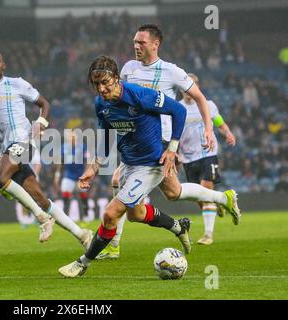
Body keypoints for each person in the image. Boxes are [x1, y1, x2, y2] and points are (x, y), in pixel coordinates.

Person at [97, 24, 241, 259]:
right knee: (173, 192)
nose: (136, 46)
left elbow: (200, 99)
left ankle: (113, 244)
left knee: (117, 180)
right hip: (136, 139)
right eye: (134, 41)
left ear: (155, 44)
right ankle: (223, 198)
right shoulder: (128, 69)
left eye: (141, 42)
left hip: (160, 142)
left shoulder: (171, 71)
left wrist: (206, 128)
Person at [58, 55, 191, 278]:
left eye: (105, 82)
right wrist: (94, 167)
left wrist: (172, 149)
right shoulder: (101, 104)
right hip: (129, 163)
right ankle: (178, 226)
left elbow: (179, 110)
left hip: (150, 165)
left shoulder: (139, 95)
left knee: (111, 214)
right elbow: (106, 135)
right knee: (136, 214)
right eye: (96, 84)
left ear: (117, 78)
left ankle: (82, 263)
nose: (101, 88)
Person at [0, 50, 93, 248]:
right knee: (40, 198)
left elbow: (44, 104)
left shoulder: (17, 83)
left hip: (23, 139)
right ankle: (82, 234)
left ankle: (41, 219)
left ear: (4, 65)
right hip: (3, 148)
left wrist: (41, 123)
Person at [179, 73, 237, 245]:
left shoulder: (208, 105)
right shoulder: (177, 108)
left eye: (192, 86)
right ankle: (220, 201)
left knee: (205, 189)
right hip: (188, 159)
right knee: (200, 198)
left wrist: (228, 133)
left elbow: (219, 123)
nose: (188, 90)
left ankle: (208, 235)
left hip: (207, 154)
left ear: (197, 87)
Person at [54, 131, 90, 223]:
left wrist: (86, 174)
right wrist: (57, 175)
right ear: (68, 138)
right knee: (65, 194)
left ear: (77, 138)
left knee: (83, 196)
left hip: (80, 176)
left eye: (74, 137)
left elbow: (88, 161)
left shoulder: (83, 147)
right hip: (68, 176)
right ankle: (66, 216)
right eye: (71, 137)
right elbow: (60, 162)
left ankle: (85, 216)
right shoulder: (64, 147)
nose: (72, 139)